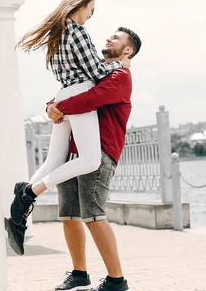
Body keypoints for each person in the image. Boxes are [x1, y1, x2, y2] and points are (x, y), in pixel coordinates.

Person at [5, 0, 130, 250]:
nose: (90, 17)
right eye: (90, 10)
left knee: (53, 160)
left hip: (62, 94)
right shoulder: (78, 32)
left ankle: (18, 214)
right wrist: (119, 66)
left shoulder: (57, 33)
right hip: (80, 92)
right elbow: (96, 71)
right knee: (90, 159)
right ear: (80, 4)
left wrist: (56, 104)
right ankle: (30, 193)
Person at [48, 27, 140, 291]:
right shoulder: (94, 71)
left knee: (93, 215)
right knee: (68, 215)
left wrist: (59, 108)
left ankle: (116, 280)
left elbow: (91, 99)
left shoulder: (121, 76)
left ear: (127, 50)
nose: (109, 38)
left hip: (99, 153)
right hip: (73, 150)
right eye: (110, 35)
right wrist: (50, 107)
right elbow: (69, 90)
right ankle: (79, 274)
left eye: (117, 38)